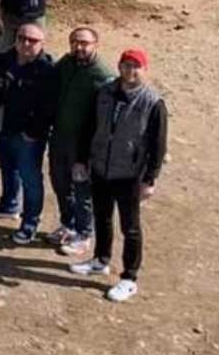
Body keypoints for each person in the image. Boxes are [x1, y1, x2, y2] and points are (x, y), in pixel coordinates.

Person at [70, 47, 167, 303]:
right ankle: (100, 260)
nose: (130, 71)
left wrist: (150, 179)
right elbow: (89, 127)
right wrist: (82, 159)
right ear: (119, 66)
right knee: (102, 217)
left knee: (130, 227)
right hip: (101, 167)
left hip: (129, 174)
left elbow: (158, 144)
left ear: (144, 70)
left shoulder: (153, 102)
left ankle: (129, 277)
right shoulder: (105, 92)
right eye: (126, 65)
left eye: (136, 66)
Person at [0, 22, 59, 243]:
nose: (26, 43)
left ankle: (30, 222)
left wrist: (33, 132)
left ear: (42, 43)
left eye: (32, 40)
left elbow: (49, 107)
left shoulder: (47, 70)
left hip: (28, 136)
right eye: (21, 38)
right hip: (4, 127)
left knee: (30, 178)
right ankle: (9, 204)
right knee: (6, 167)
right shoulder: (5, 59)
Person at [50, 25, 112, 256]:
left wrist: (89, 151)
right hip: (59, 137)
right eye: (75, 42)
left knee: (82, 188)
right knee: (59, 183)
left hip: (84, 144)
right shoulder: (66, 64)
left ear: (95, 45)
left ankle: (84, 234)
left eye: (84, 43)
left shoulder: (103, 75)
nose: (79, 47)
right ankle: (68, 224)